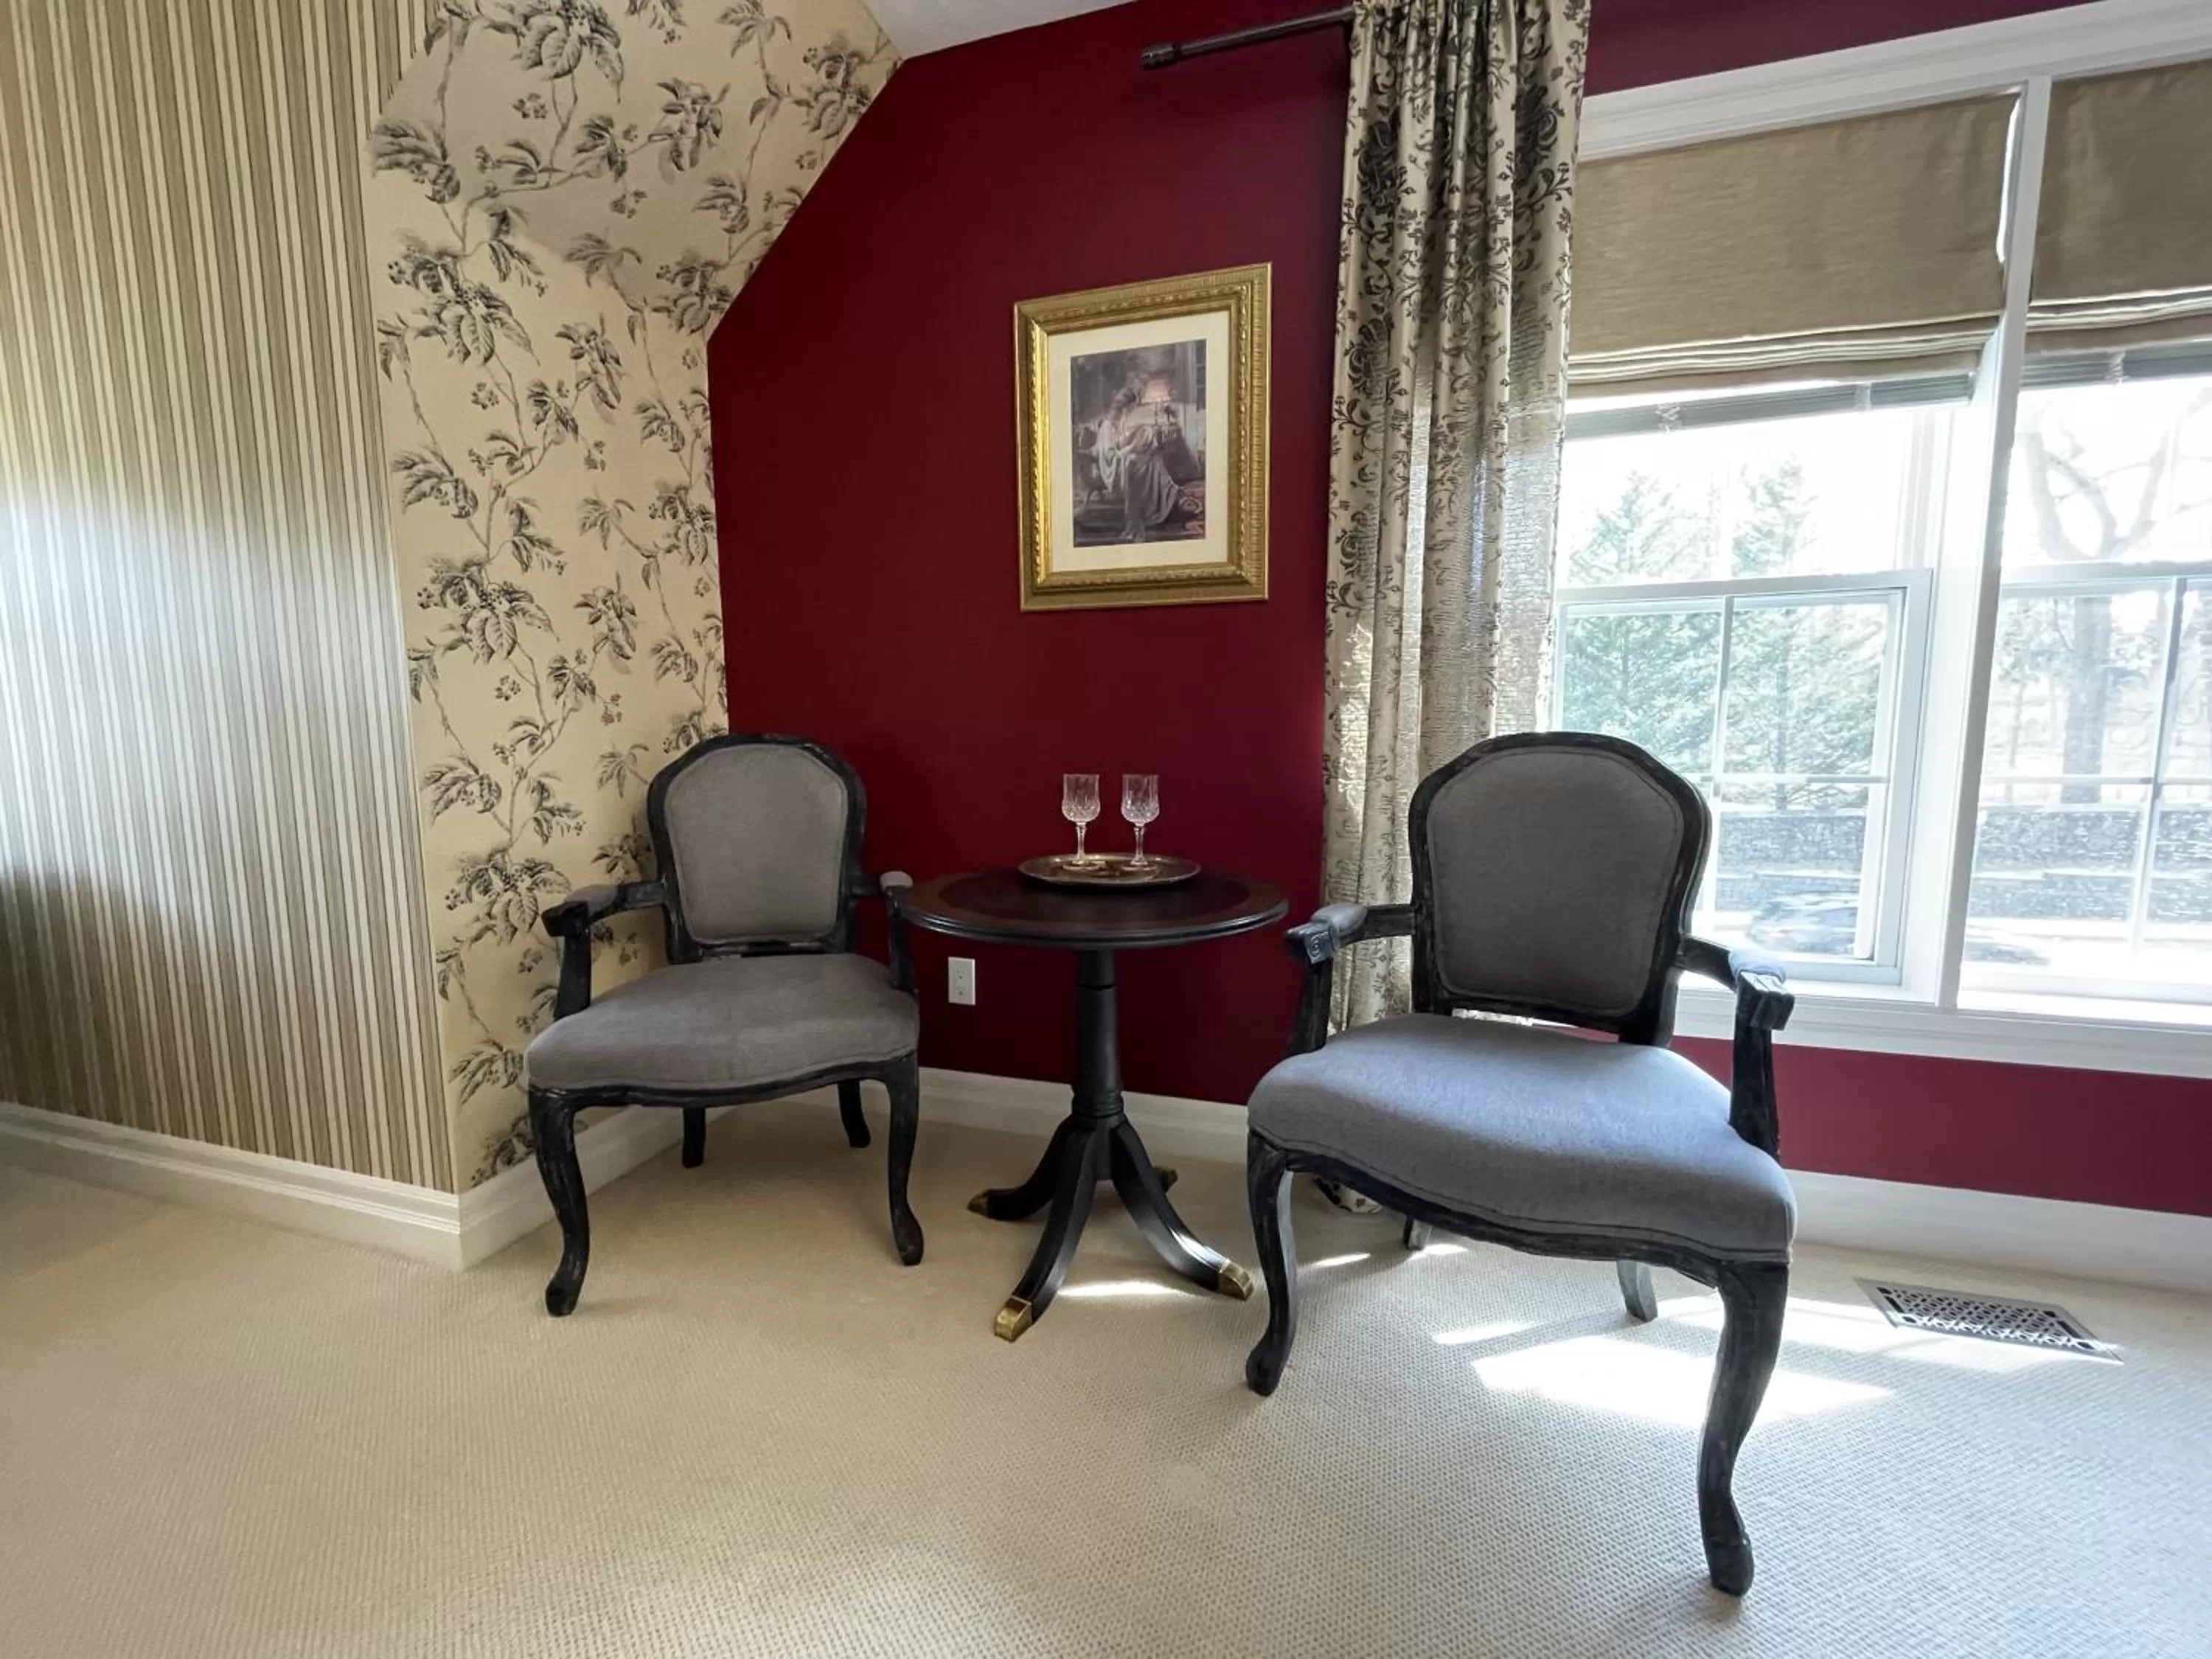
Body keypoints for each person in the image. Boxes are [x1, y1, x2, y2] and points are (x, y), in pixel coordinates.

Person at [1091, 386, 1192, 542]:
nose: (1131, 411)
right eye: (1130, 408)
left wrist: (1138, 434)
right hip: (1113, 469)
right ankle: (1164, 501)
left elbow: (1119, 443)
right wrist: (1132, 447)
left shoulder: (1117, 422)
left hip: (1121, 460)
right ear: (1124, 406)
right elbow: (1110, 456)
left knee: (1154, 458)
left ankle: (1167, 498)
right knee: (1147, 465)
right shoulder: (1107, 426)